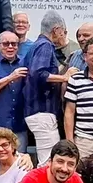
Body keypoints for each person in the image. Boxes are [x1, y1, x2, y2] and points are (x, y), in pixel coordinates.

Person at [23, 11, 77, 163]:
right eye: (63, 31)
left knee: (48, 158)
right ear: (56, 30)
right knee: (48, 161)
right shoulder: (45, 46)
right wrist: (65, 77)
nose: (63, 36)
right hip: (42, 111)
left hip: (36, 111)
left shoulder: (36, 46)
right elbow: (38, 74)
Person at [0, 30, 28, 148]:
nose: (10, 47)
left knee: (19, 162)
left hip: (20, 123)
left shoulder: (24, 61)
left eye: (14, 44)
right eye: (6, 44)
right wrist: (10, 77)